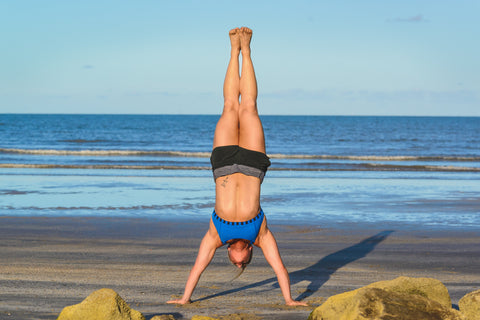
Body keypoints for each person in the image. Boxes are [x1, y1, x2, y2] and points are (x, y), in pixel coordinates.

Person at [167, 27, 307, 307]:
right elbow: (279, 267)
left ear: (229, 253)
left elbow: (198, 267)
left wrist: (185, 298)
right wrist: (290, 300)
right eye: (241, 262)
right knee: (250, 107)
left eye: (234, 262)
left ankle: (234, 49)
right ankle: (247, 50)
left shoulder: (215, 235)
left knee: (231, 106)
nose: (238, 260)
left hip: (222, 166)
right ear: (248, 254)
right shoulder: (260, 234)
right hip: (253, 166)